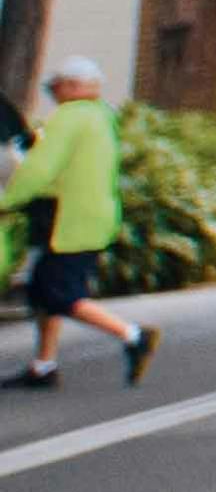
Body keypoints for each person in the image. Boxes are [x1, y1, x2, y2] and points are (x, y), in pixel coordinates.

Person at [3, 66, 150, 391]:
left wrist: (7, 200)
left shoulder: (69, 119)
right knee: (43, 291)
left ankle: (134, 336)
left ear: (72, 86)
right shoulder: (100, 117)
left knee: (58, 293)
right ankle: (44, 365)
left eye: (54, 87)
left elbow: (40, 170)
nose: (51, 93)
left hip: (69, 222)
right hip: (90, 218)